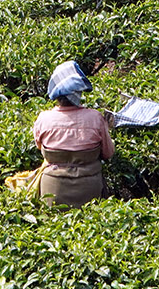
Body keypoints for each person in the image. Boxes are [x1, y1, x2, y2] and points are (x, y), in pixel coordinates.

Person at [21, 60, 113, 206]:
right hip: (90, 191)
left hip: (52, 191)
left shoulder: (44, 119)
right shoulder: (95, 118)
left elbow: (40, 147)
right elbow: (108, 153)